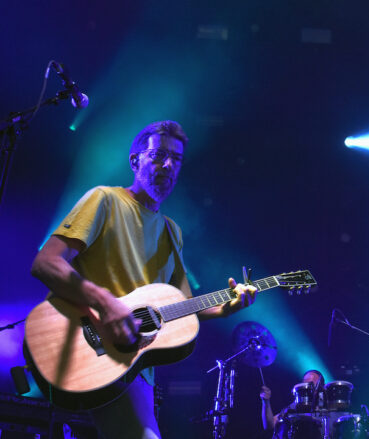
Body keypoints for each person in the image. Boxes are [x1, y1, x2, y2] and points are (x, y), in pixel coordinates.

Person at [30, 120, 258, 439]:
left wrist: (224, 309)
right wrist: (105, 303)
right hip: (83, 341)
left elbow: (182, 306)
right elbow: (46, 262)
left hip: (134, 365)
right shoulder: (104, 200)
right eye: (159, 155)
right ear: (135, 160)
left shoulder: (172, 232)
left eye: (176, 159)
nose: (168, 165)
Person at [260, 369, 326, 431]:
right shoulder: (295, 406)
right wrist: (266, 401)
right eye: (305, 384)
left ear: (321, 388)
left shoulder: (327, 407)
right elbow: (270, 425)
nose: (307, 388)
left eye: (311, 385)